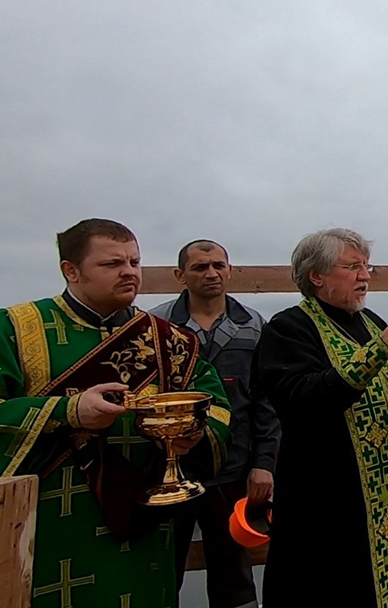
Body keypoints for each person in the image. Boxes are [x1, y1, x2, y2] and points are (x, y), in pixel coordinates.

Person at [0, 218, 231, 608]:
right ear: (70, 270)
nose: (129, 272)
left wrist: (193, 432)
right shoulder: (17, 329)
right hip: (47, 519)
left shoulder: (171, 339)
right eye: (112, 264)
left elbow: (217, 406)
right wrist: (69, 410)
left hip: (143, 519)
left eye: (135, 262)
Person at [254, 228, 388, 608]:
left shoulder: (369, 321)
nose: (365, 276)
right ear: (317, 275)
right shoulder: (288, 329)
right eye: (353, 267)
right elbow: (304, 401)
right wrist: (380, 348)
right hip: (332, 504)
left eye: (367, 267)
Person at [149, 240, 278, 608]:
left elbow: (266, 403)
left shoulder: (252, 326)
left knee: (234, 572)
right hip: (169, 472)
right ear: (180, 275)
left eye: (218, 265)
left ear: (230, 270)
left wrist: (263, 464)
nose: (211, 273)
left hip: (234, 469)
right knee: (162, 569)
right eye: (200, 267)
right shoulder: (158, 326)